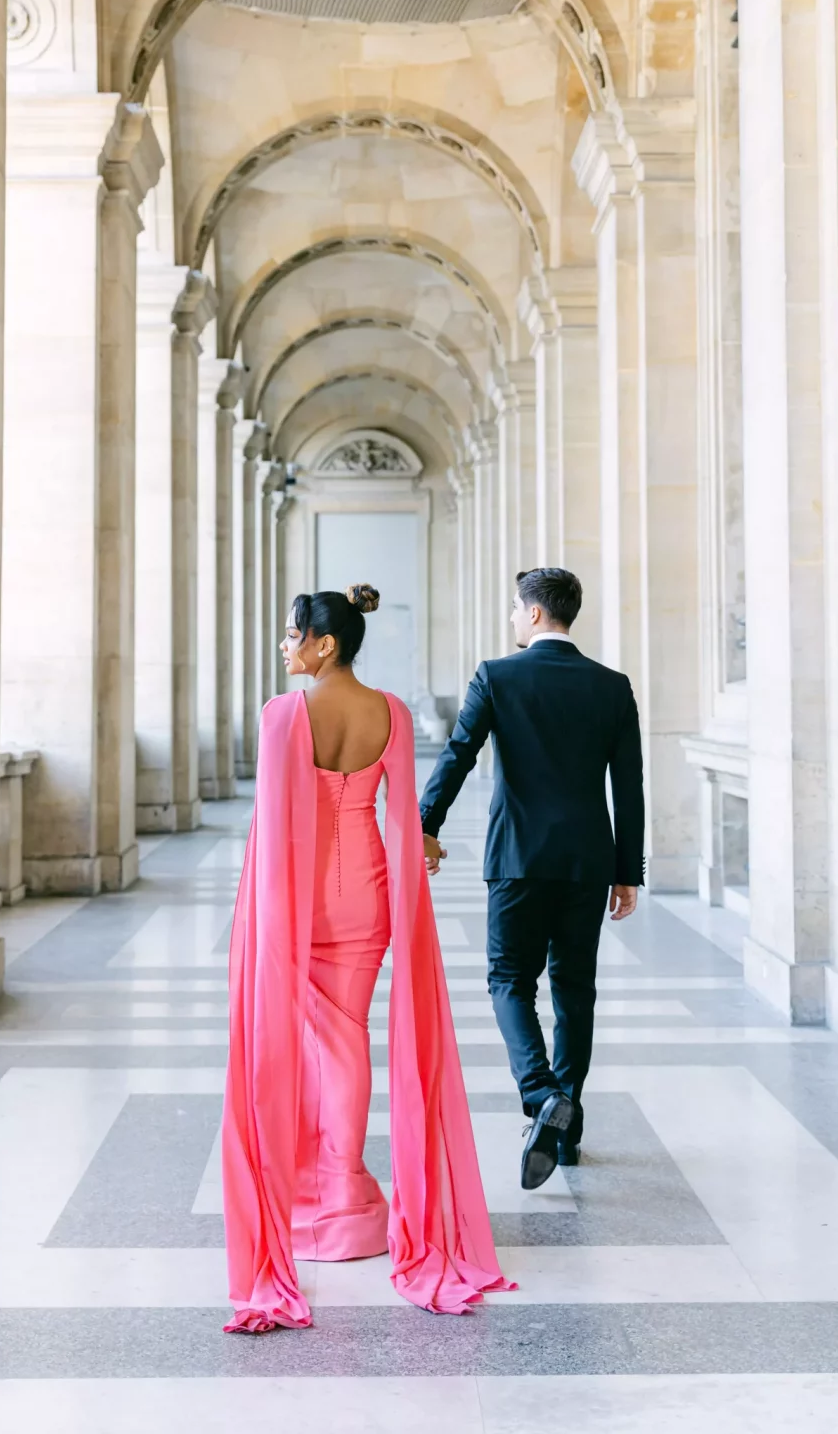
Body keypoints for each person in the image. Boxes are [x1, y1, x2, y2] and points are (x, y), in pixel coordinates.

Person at [221, 583, 513, 1334]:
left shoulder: (285, 713)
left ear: (324, 643)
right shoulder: (391, 711)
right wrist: (422, 852)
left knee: (309, 1043)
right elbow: (403, 813)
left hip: (302, 895)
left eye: (293, 636)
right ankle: (343, 1188)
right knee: (346, 1032)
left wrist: (260, 910)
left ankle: (324, 1193)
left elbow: (277, 818)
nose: (286, 646)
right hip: (370, 895)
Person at [419, 567, 644, 1191]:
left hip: (517, 858)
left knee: (509, 978)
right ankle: (565, 1128)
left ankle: (541, 1093)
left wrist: (423, 824)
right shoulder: (612, 686)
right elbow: (629, 786)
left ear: (537, 614)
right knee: (576, 988)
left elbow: (458, 754)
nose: (514, 619)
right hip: (586, 862)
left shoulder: (497, 675)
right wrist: (629, 872)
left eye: (518, 610)